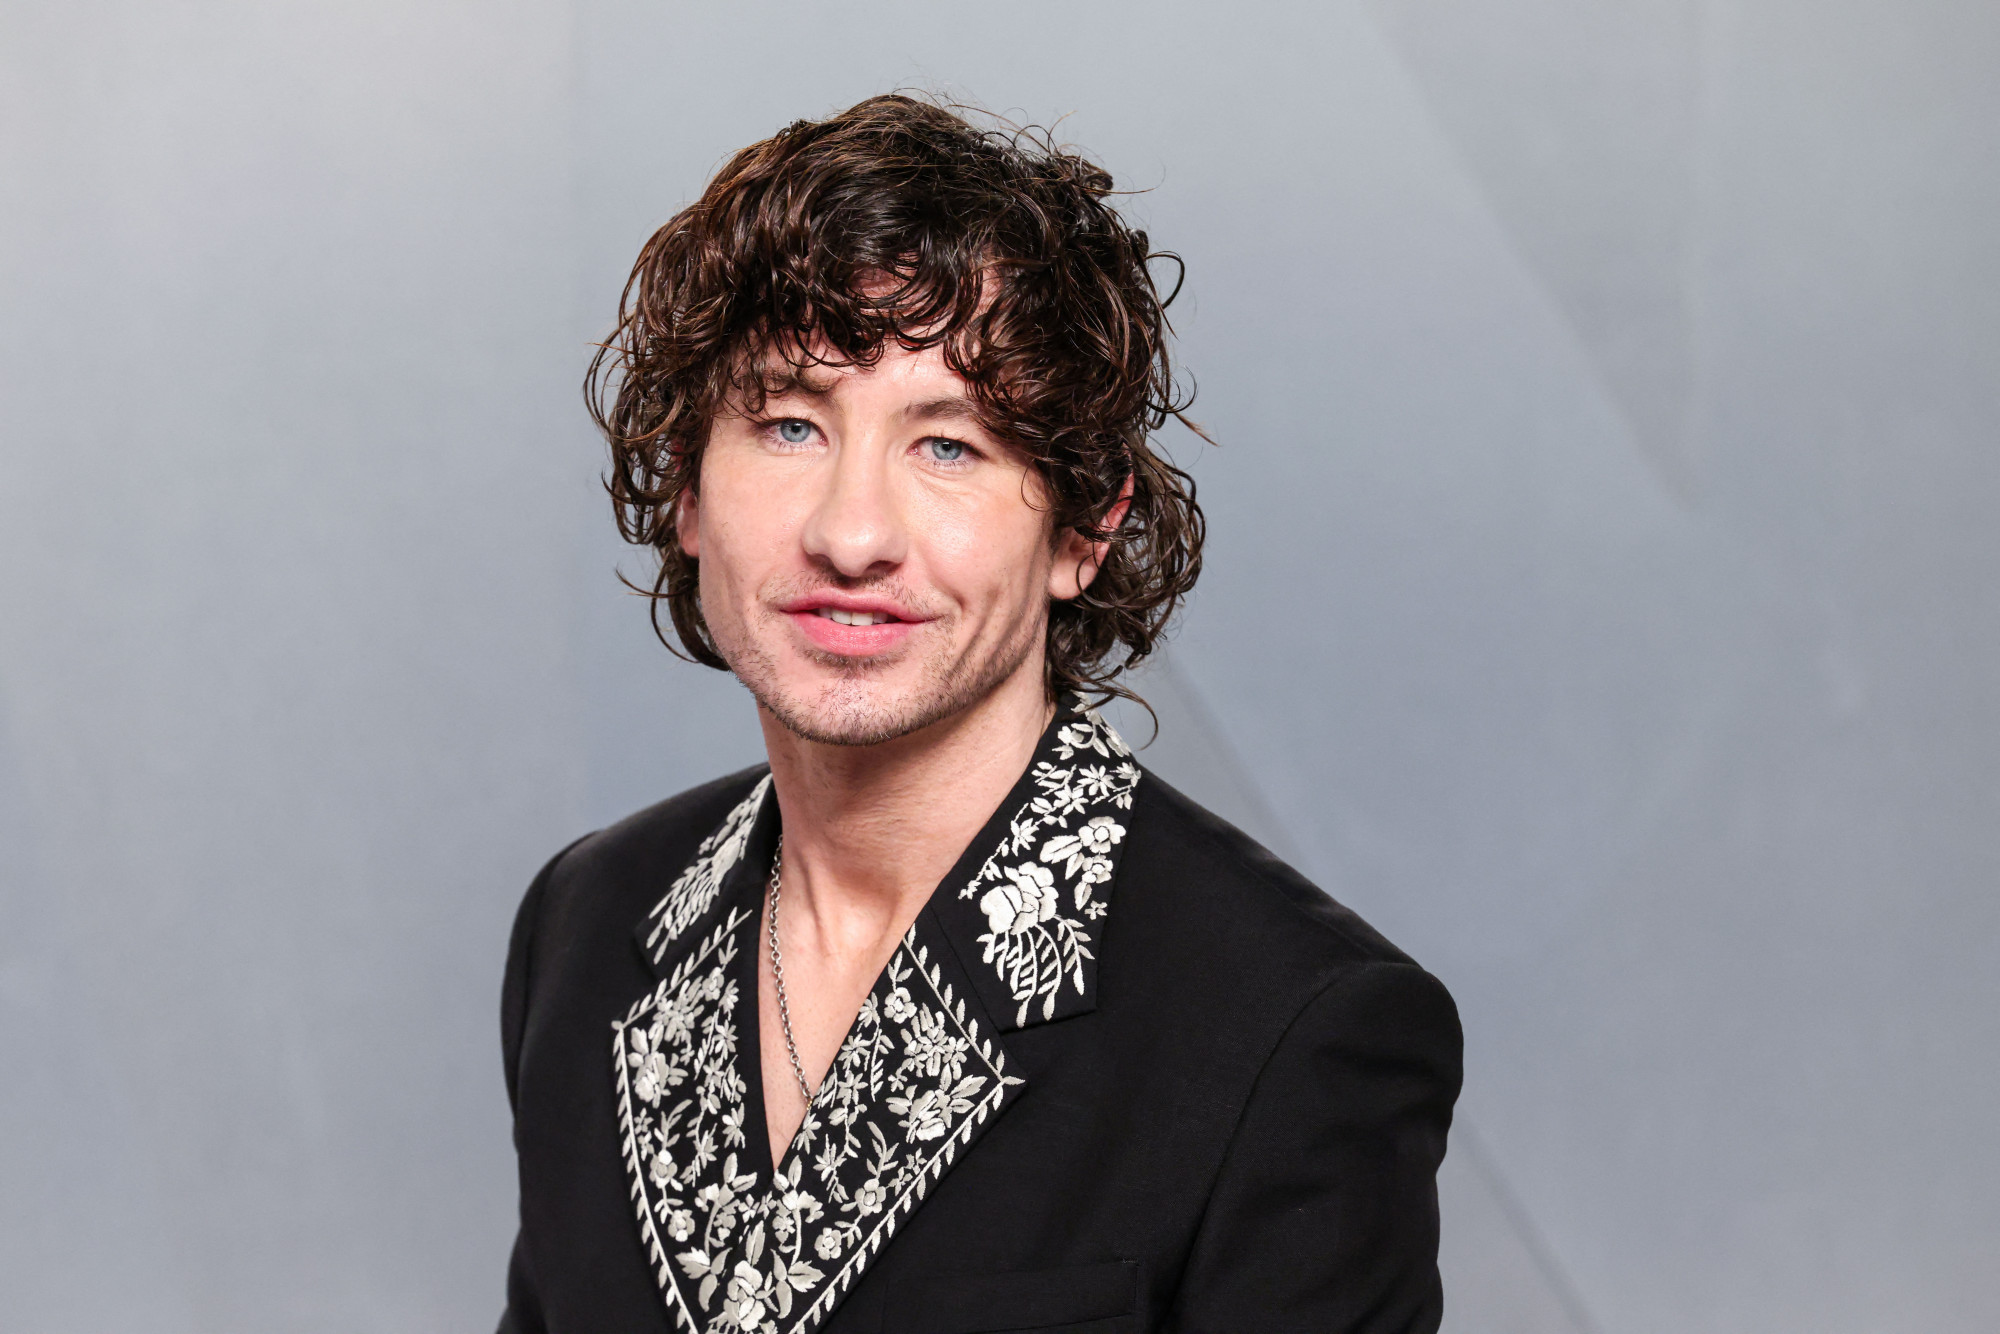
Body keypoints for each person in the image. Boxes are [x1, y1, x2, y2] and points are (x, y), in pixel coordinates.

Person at [498, 94, 1462, 1334]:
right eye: (789, 424)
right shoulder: (587, 923)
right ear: (686, 490)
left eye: (947, 444)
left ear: (1083, 526)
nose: (850, 533)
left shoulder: (1293, 1027)